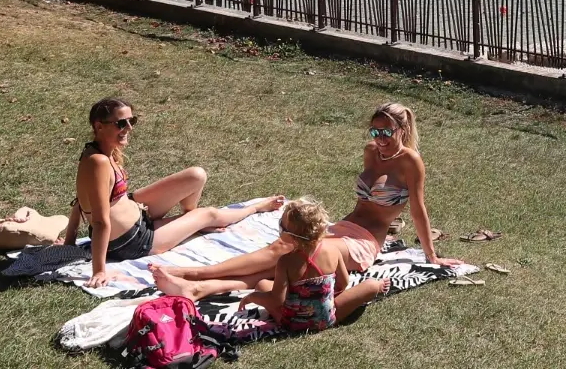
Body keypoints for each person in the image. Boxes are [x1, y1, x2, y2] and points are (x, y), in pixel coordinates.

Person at [154, 102, 462, 290]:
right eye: (374, 131)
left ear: (402, 130)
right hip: (342, 229)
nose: (379, 139)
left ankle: (192, 274)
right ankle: (197, 286)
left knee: (288, 253)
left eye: (386, 132)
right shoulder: (371, 152)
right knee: (284, 253)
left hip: (365, 243)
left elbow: (418, 211)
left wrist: (431, 255)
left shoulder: (410, 161)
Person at [62, 97, 284, 288]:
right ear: (99, 127)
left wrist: (70, 239)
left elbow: (80, 200)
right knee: (210, 214)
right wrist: (99, 271)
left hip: (137, 213)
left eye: (132, 121)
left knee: (196, 176)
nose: (129, 128)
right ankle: (253, 208)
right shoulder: (98, 162)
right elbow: (99, 221)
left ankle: (190, 221)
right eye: (121, 123)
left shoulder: (97, 151)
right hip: (133, 241)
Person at [151, 198, 389, 329]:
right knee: (368, 286)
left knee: (264, 284)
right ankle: (379, 287)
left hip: (291, 321)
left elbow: (277, 300)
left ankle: (198, 278)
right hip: (327, 317)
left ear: (289, 236)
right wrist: (320, 295)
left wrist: (254, 297)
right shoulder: (332, 251)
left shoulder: (285, 261)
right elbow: (344, 284)